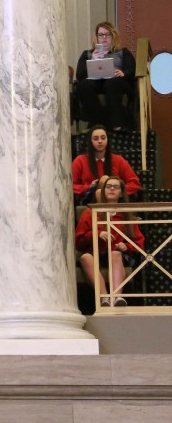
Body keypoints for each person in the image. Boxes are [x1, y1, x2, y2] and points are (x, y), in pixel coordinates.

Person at [75, 175, 144, 308]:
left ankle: (117, 298)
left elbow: (139, 241)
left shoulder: (126, 214)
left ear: (121, 193)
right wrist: (97, 234)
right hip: (95, 252)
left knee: (115, 254)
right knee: (85, 257)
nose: (112, 189)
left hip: (116, 254)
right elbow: (79, 242)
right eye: (108, 186)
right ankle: (105, 298)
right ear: (103, 190)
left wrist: (127, 245)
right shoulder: (90, 212)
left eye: (116, 187)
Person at [74, 21, 136, 130]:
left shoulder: (122, 52)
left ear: (113, 36)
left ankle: (117, 123)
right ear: (96, 37)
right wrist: (93, 60)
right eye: (101, 35)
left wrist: (123, 73)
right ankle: (99, 123)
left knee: (112, 83)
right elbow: (79, 75)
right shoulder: (87, 54)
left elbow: (132, 68)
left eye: (107, 34)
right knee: (83, 85)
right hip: (95, 82)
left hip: (116, 82)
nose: (104, 38)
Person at [71, 125, 141, 204]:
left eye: (103, 138)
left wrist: (117, 190)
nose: (100, 141)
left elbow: (134, 183)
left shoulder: (118, 160)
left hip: (116, 201)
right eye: (95, 138)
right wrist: (89, 187)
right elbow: (70, 186)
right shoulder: (80, 160)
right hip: (90, 199)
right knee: (103, 180)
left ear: (108, 140)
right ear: (90, 141)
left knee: (106, 180)